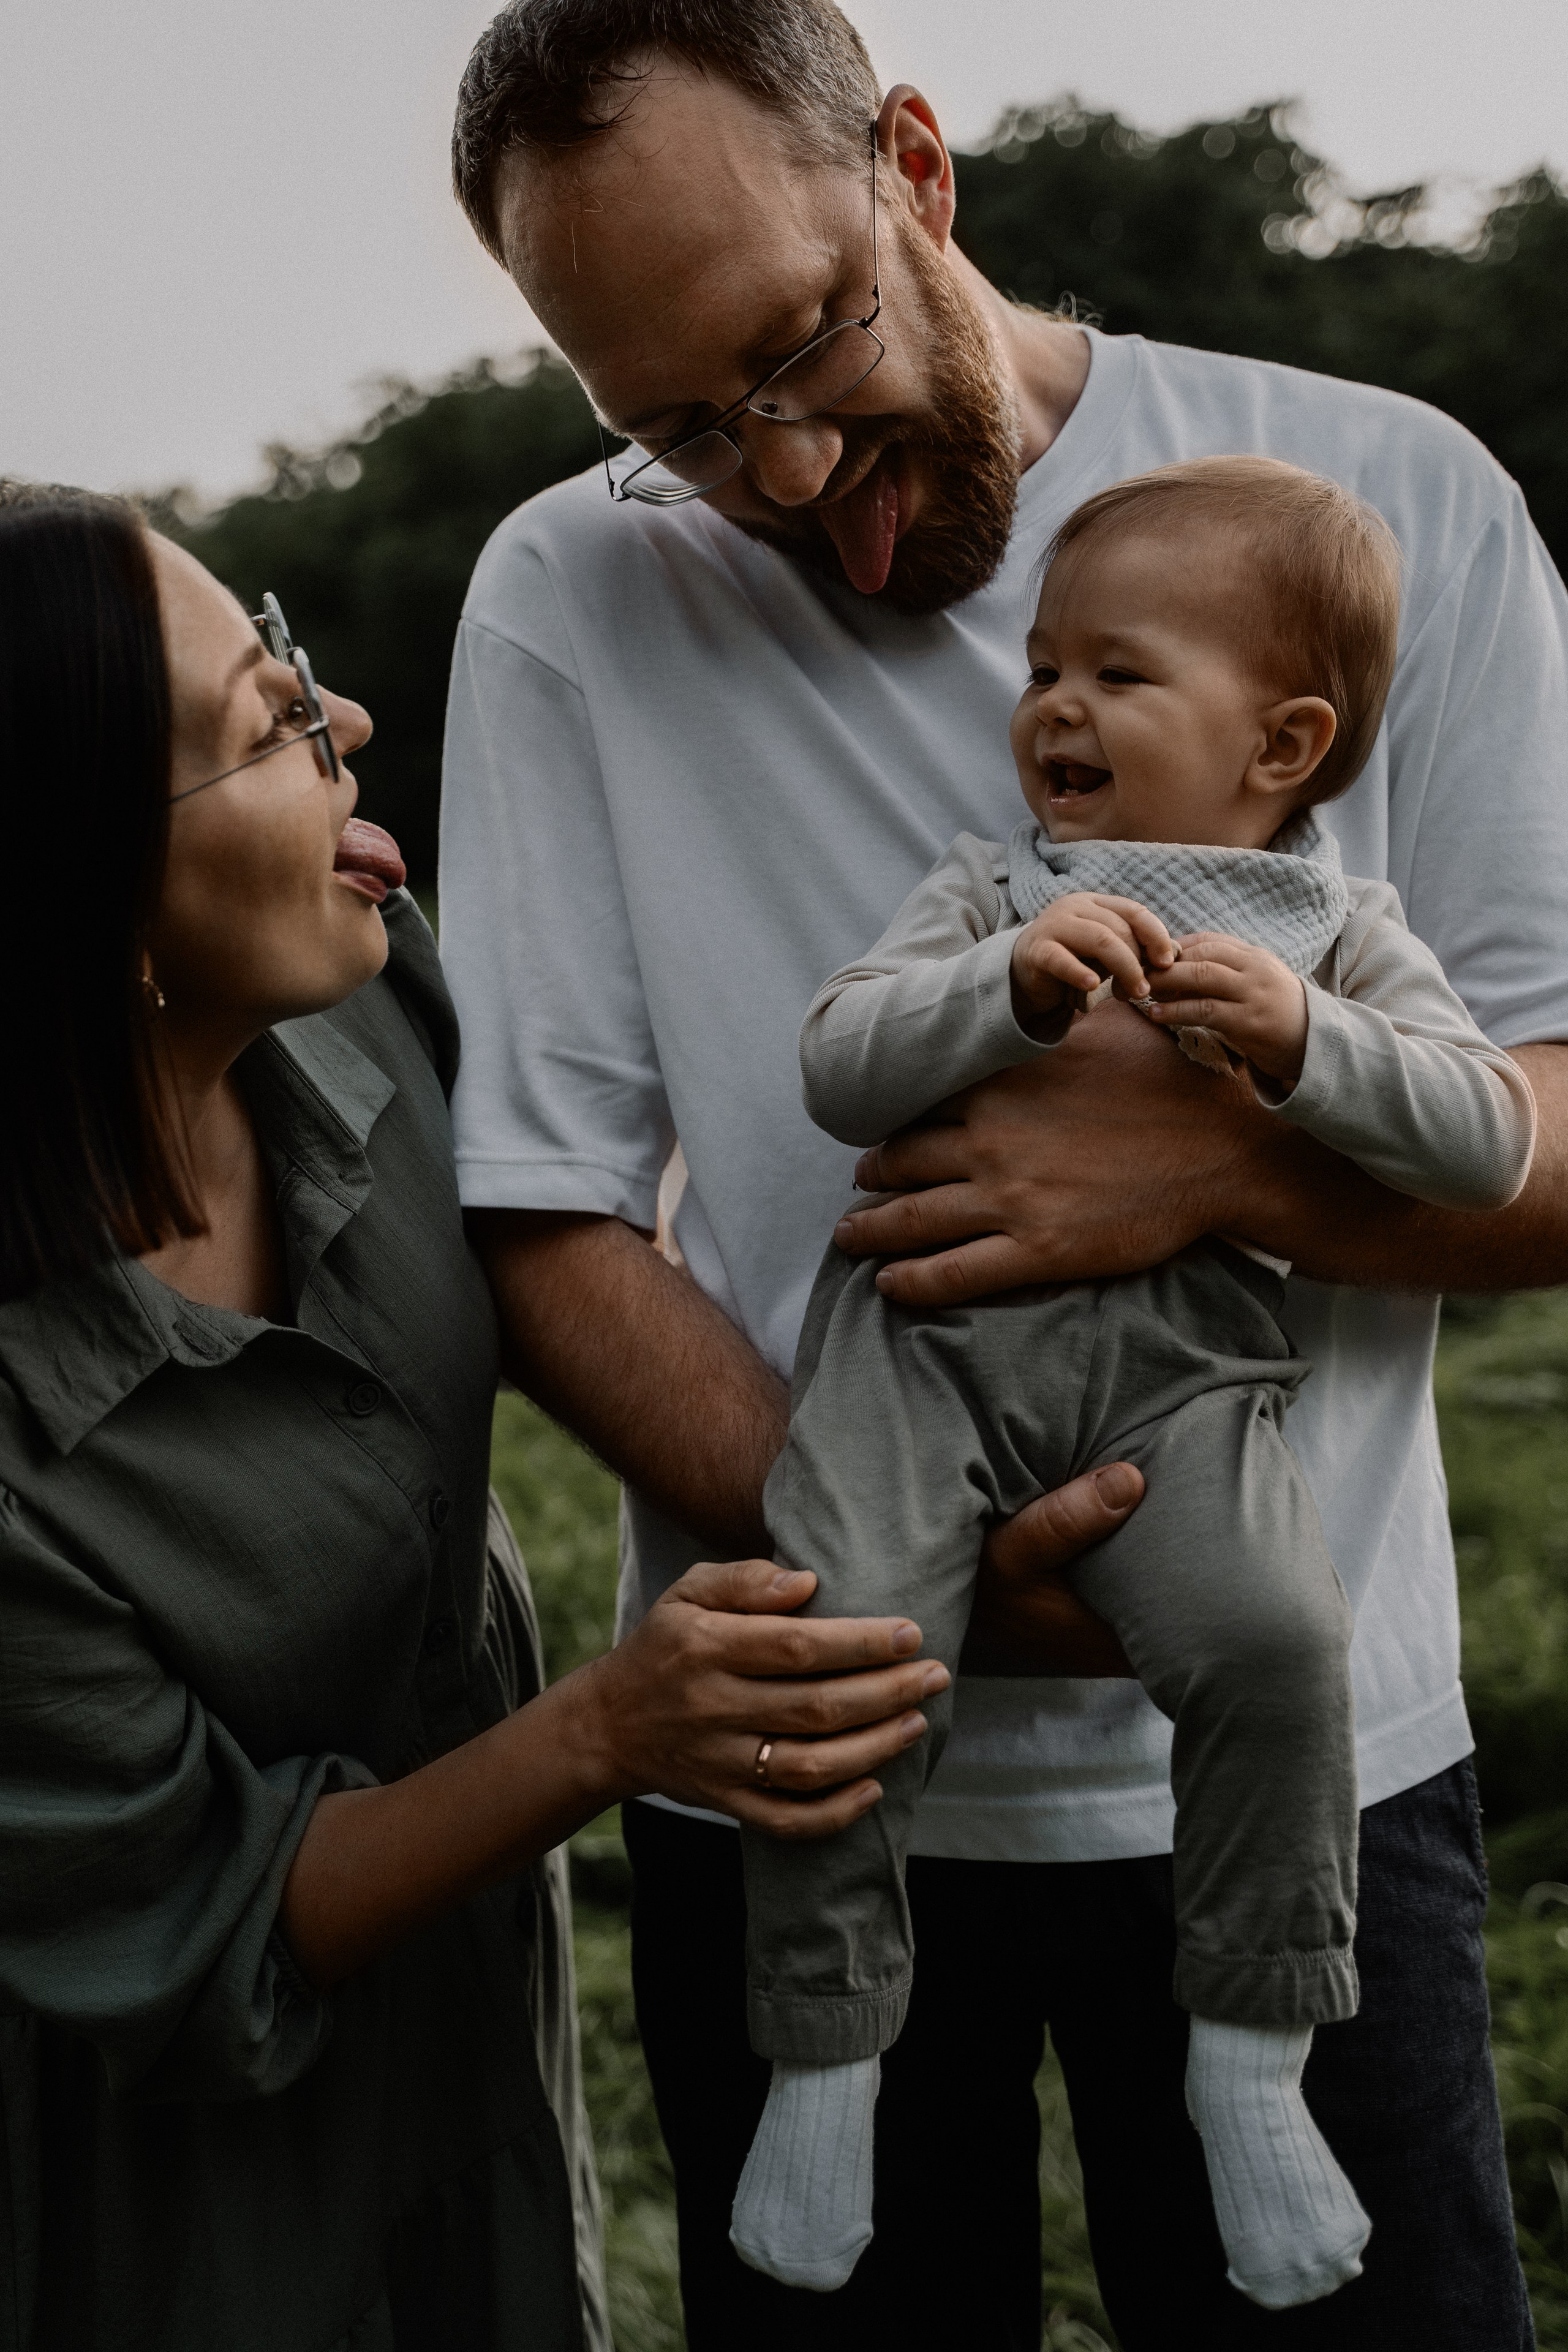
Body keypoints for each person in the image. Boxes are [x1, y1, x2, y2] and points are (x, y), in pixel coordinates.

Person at [439, 5, 1568, 2344]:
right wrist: (899, 1574)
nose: (772, 472)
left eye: (796, 343)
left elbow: (1556, 1125)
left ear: (919, 170)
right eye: (670, 423)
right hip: (807, 1743)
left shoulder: (1388, 498)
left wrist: (1198, 1173)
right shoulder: (567, 590)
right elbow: (546, 1210)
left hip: (1305, 1751)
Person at [0, 479, 1072, 2351]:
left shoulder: (366, 1009)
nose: (346, 729)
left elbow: (609, 1218)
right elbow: (198, 1922)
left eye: (296, 669)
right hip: (154, 2175)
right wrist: (609, 1728)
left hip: (477, 2025)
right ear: (93, 894)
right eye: (268, 726)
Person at [728, 457, 1535, 2311]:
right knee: (834, 1644)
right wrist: (1001, 984)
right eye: (1042, 670)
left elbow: (1491, 1142)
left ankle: (1252, 2066)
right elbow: (844, 1062)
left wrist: (1307, 1043)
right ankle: (827, 2051)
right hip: (916, 1353)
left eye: (1118, 672)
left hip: (1184, 1386)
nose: (1054, 708)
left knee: (1274, 1646)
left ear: (1286, 738)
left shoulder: (1338, 924)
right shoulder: (991, 882)